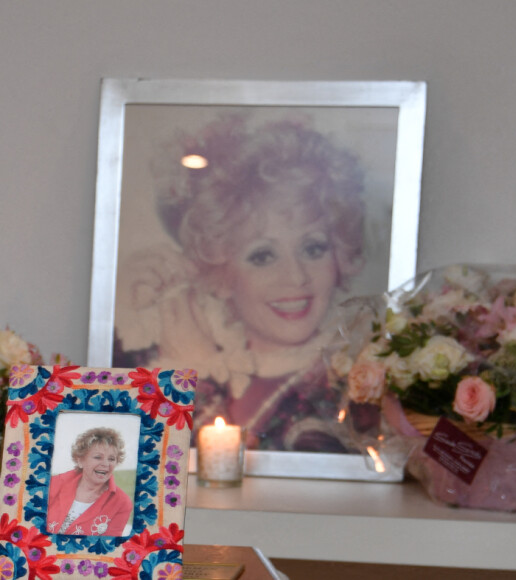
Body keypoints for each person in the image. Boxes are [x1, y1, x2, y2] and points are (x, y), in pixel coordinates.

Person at [114, 113, 373, 451]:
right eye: (263, 255)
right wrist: (118, 313)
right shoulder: (166, 344)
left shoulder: (347, 384)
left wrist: (194, 376)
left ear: (339, 256)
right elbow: (123, 474)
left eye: (313, 248)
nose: (295, 277)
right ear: (219, 272)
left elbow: (255, 489)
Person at [46, 427, 133, 536]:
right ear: (80, 461)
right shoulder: (54, 483)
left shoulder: (122, 502)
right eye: (98, 457)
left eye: (111, 459)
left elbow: (108, 545)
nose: (106, 464)